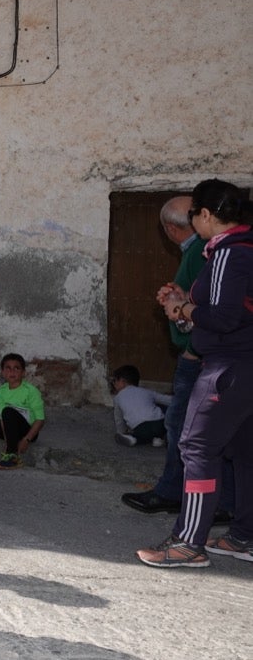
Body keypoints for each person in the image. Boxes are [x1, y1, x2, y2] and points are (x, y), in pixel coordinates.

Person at [137, 179, 253, 568]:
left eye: (194, 215)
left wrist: (184, 310)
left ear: (205, 215)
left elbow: (223, 317)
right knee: (243, 451)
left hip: (227, 367)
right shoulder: (244, 247)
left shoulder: (227, 254)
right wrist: (184, 302)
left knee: (197, 448)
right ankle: (243, 536)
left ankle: (188, 543)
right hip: (244, 365)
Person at [122, 196, 235, 521]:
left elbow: (211, 311)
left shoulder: (207, 253)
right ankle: (203, 498)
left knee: (189, 427)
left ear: (171, 229)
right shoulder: (204, 254)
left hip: (201, 355)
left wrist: (181, 310)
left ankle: (190, 497)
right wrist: (180, 299)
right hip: (203, 352)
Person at [109, 364, 169, 447]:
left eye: (115, 381)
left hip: (140, 427)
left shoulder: (118, 398)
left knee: (141, 435)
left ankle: (134, 439)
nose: (114, 384)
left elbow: (119, 419)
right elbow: (167, 400)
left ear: (122, 381)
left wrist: (121, 432)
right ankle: (159, 439)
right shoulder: (146, 391)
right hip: (160, 423)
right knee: (162, 407)